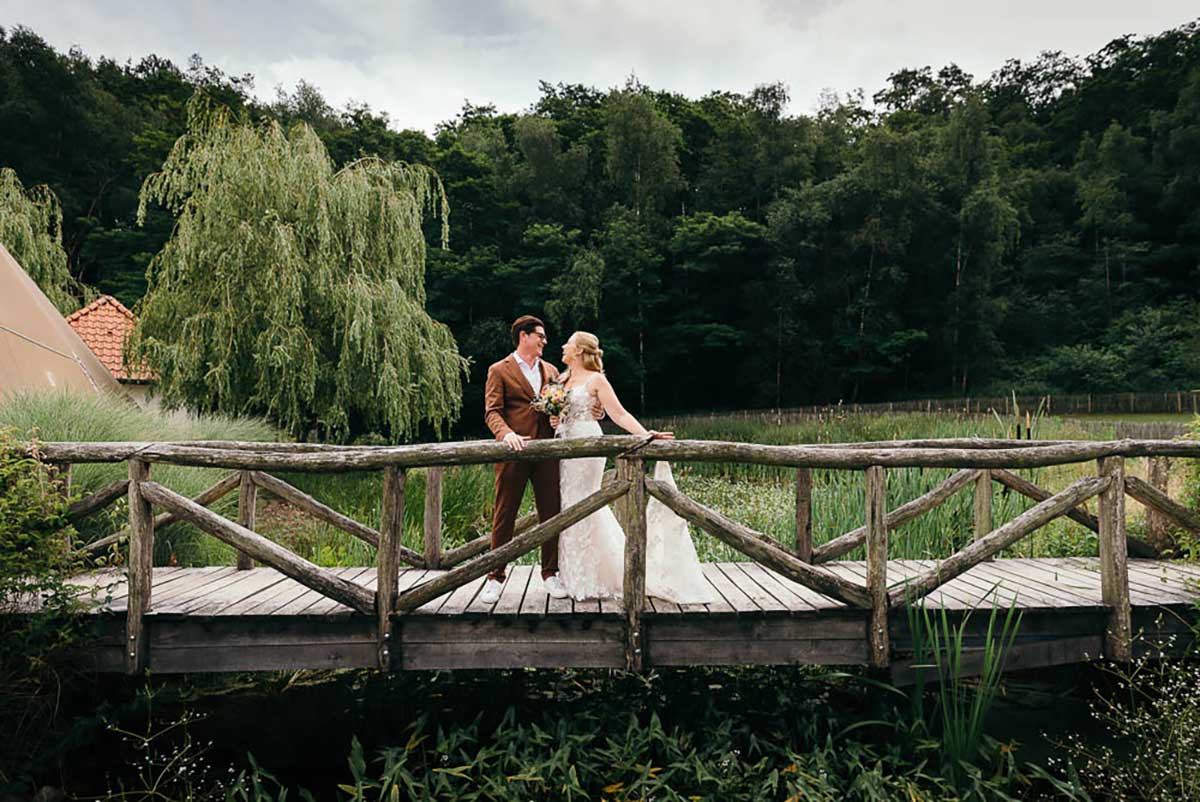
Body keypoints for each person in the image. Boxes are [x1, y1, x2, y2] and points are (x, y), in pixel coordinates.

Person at [552, 331, 717, 603]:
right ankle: (574, 576)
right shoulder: (561, 379)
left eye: (568, 344)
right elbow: (556, 414)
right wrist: (555, 421)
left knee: (589, 502)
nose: (563, 346)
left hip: (588, 445)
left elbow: (618, 413)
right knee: (569, 504)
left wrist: (645, 435)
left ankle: (605, 575)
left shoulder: (596, 379)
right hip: (564, 447)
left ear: (580, 350)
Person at [480, 315, 600, 605]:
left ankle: (550, 574)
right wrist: (506, 434)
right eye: (541, 336)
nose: (545, 341)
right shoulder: (499, 370)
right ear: (524, 336)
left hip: (549, 452)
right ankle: (495, 577)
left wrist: (596, 413)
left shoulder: (551, 371)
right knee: (504, 514)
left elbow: (572, 400)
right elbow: (492, 411)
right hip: (515, 452)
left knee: (552, 512)